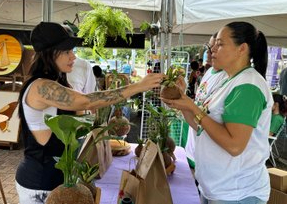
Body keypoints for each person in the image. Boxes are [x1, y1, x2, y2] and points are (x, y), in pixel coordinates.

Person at [15, 21, 164, 204]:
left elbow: (82, 110)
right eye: (67, 51)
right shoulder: (40, 86)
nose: (74, 57)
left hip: (58, 182)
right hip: (39, 184)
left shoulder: (57, 82)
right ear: (50, 53)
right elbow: (85, 100)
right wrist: (138, 86)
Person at [162, 22, 272, 203]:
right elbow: (201, 125)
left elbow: (234, 145)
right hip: (216, 187)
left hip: (236, 193)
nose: (212, 49)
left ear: (242, 49)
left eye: (220, 44)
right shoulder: (226, 79)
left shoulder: (248, 86)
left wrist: (193, 106)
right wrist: (183, 103)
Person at [185, 32, 228, 170]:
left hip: (209, 158)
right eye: (208, 47)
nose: (209, 52)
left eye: (215, 47)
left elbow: (209, 121)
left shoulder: (227, 79)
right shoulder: (209, 73)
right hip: (194, 149)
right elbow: (198, 110)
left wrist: (185, 103)